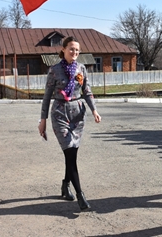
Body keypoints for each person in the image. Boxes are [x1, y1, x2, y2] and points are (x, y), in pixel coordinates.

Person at [38, 36, 101, 211]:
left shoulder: (81, 68)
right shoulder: (54, 70)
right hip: (59, 113)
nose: (74, 52)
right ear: (64, 49)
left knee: (72, 154)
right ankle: (80, 195)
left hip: (78, 114)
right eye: (71, 49)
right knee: (70, 153)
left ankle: (66, 184)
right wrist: (42, 121)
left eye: (77, 50)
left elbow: (87, 91)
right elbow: (47, 97)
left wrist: (94, 110)